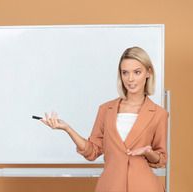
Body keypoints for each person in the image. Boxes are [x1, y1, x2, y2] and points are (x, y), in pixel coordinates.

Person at [40, 46, 169, 192]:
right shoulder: (106, 110)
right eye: (125, 73)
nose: (130, 79)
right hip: (110, 186)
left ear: (148, 72)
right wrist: (67, 129)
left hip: (144, 186)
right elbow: (92, 151)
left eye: (137, 72)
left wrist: (148, 152)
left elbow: (161, 159)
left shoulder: (159, 114)